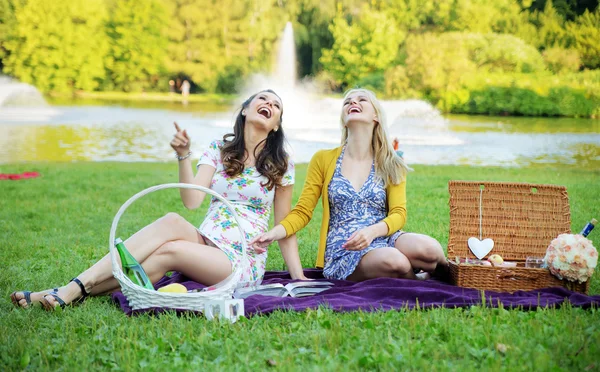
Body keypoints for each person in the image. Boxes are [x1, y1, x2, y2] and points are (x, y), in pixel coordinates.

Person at [10, 90, 306, 311]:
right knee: (171, 221)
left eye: (276, 105)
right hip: (207, 240)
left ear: (277, 124)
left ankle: (72, 289)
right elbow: (192, 201)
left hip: (240, 258)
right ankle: (73, 288)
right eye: (263, 99)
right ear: (245, 110)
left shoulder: (281, 163)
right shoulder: (219, 149)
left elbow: (285, 225)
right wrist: (183, 155)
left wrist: (297, 276)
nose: (269, 104)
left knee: (170, 250)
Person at [250, 88, 448, 282]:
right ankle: (419, 279)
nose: (353, 102)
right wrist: (275, 233)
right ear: (344, 120)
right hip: (346, 248)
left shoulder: (391, 161)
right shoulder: (323, 159)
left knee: (430, 250)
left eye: (362, 100)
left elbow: (398, 213)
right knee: (396, 262)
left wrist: (372, 232)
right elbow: (302, 212)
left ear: (376, 116)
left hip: (383, 235)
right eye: (347, 102)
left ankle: (454, 274)